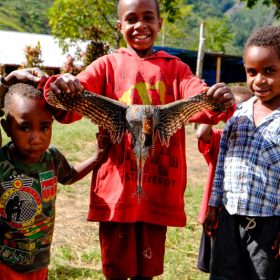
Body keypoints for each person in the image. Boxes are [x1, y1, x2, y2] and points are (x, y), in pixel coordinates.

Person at [44, 0, 235, 279]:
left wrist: (217, 100)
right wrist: (65, 85)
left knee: (148, 271)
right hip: (116, 191)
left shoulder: (176, 69)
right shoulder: (106, 65)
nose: (140, 25)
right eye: (131, 19)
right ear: (119, 25)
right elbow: (71, 101)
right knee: (117, 271)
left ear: (160, 23)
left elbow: (202, 101)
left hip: (158, 187)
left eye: (148, 17)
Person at [0, 83, 110, 280]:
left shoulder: (52, 157)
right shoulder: (1, 162)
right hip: (5, 263)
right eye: (24, 127)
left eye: (44, 127)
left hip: (39, 259)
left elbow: (70, 176)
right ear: (7, 128)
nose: (36, 138)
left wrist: (97, 157)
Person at [203, 25, 280, 280]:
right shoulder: (238, 116)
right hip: (230, 217)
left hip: (269, 224)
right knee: (223, 274)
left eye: (269, 71)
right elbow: (222, 164)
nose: (259, 80)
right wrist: (214, 207)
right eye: (252, 71)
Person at [195, 86, 253, 273]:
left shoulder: (259, 141)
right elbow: (201, 134)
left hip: (249, 220)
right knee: (219, 269)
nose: (238, 115)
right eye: (233, 110)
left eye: (244, 109)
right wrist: (216, 108)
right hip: (217, 219)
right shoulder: (220, 139)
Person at [0, 67, 49, 147]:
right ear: (7, 128)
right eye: (25, 129)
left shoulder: (54, 156)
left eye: (44, 128)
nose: (36, 140)